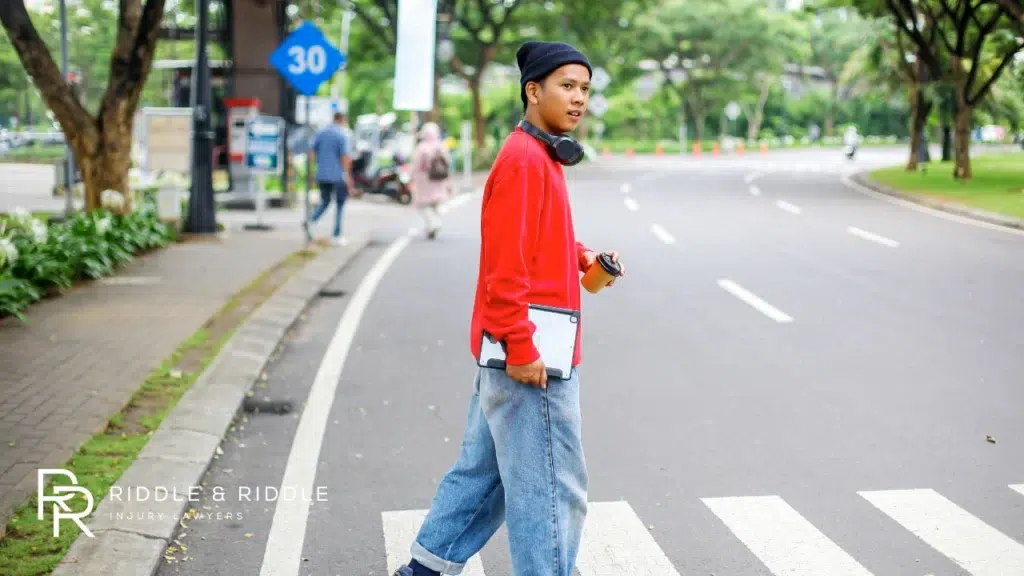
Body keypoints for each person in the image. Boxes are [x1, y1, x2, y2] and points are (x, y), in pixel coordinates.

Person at [392, 40, 624, 576]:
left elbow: (539, 240)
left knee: (484, 479)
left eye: (586, 89)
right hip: (531, 359)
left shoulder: (540, 156)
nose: (579, 99)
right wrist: (520, 347)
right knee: (551, 491)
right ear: (533, 89)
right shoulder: (524, 161)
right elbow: (503, 268)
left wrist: (585, 256)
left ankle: (423, 570)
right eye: (567, 86)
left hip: (515, 353)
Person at [307, 111, 352, 245]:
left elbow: (312, 153)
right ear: (342, 119)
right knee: (339, 204)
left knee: (325, 201)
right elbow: (344, 157)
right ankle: (336, 235)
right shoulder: (342, 135)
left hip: (322, 174)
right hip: (337, 175)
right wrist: (347, 176)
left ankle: (311, 221)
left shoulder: (321, 132)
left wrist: (311, 172)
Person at [411, 121, 452, 239]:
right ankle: (433, 224)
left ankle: (433, 223)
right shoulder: (441, 146)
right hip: (439, 179)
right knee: (435, 202)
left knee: (423, 205)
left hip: (424, 180)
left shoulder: (421, 147)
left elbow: (416, 165)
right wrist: (448, 180)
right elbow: (447, 163)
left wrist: (411, 176)